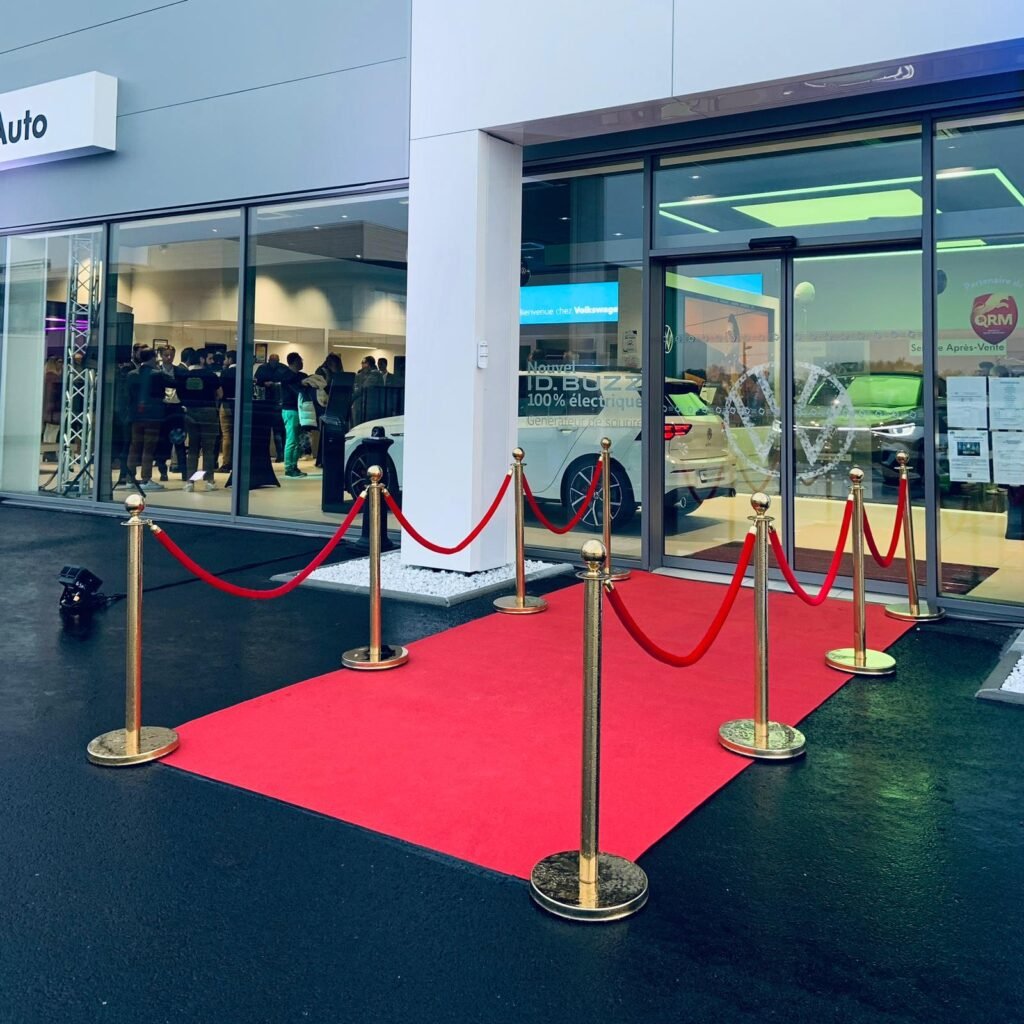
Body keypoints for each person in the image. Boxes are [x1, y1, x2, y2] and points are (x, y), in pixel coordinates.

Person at [175, 348, 222, 492]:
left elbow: (179, 394)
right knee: (208, 449)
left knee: (193, 449)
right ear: (201, 359)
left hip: (190, 413)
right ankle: (209, 481)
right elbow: (220, 394)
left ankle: (190, 482)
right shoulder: (211, 375)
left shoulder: (183, 376)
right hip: (208, 412)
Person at [125, 348, 170, 490]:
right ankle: (146, 478)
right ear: (153, 357)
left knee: (134, 446)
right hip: (153, 415)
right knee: (148, 447)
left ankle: (129, 478)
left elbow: (129, 395)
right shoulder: (157, 374)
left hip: (135, 415)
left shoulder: (131, 374)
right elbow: (172, 383)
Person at [255, 353, 287, 462]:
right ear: (269, 360)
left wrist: (274, 384)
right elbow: (257, 382)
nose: (274, 363)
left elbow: (286, 382)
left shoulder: (282, 368)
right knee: (274, 431)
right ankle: (275, 454)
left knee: (279, 431)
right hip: (267, 401)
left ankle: (280, 454)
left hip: (277, 402)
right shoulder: (264, 368)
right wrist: (265, 383)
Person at [280, 352, 307, 478]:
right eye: (300, 360)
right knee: (291, 439)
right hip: (290, 410)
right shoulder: (287, 376)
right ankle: (289, 467)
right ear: (295, 361)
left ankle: (294, 465)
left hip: (297, 410)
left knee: (296, 440)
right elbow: (296, 390)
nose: (302, 363)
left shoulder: (297, 376)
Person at [217, 350, 236, 471]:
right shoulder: (244, 372)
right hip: (240, 405)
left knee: (227, 435)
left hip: (227, 404)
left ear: (230, 359)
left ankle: (226, 462)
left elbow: (220, 391)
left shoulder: (225, 372)